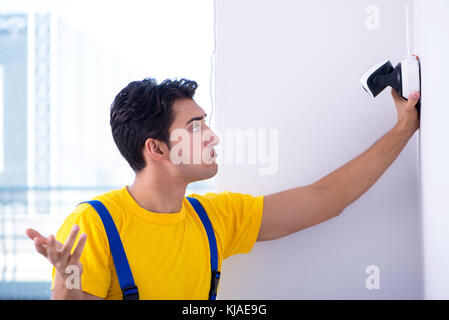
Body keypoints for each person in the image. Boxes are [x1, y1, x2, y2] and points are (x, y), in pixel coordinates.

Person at [25, 77, 420, 300]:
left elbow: (324, 199)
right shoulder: (92, 226)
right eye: (195, 127)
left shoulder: (213, 218)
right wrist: (67, 279)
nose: (212, 136)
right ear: (157, 148)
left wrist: (404, 129)